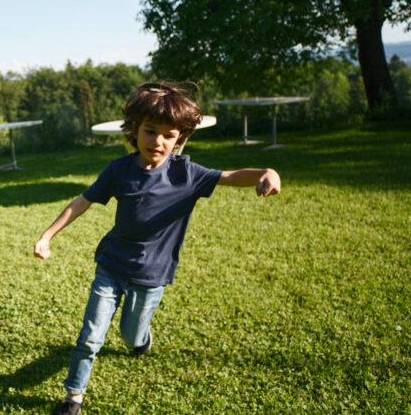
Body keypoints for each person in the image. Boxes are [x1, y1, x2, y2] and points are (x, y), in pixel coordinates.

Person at [34, 81, 281, 415]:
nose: (158, 141)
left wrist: (267, 171)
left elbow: (231, 175)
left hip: (151, 274)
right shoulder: (118, 170)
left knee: (131, 336)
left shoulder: (187, 174)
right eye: (150, 131)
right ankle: (72, 397)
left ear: (180, 138)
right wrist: (47, 236)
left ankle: (142, 338)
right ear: (134, 130)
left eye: (169, 135)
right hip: (111, 265)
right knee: (91, 335)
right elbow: (82, 202)